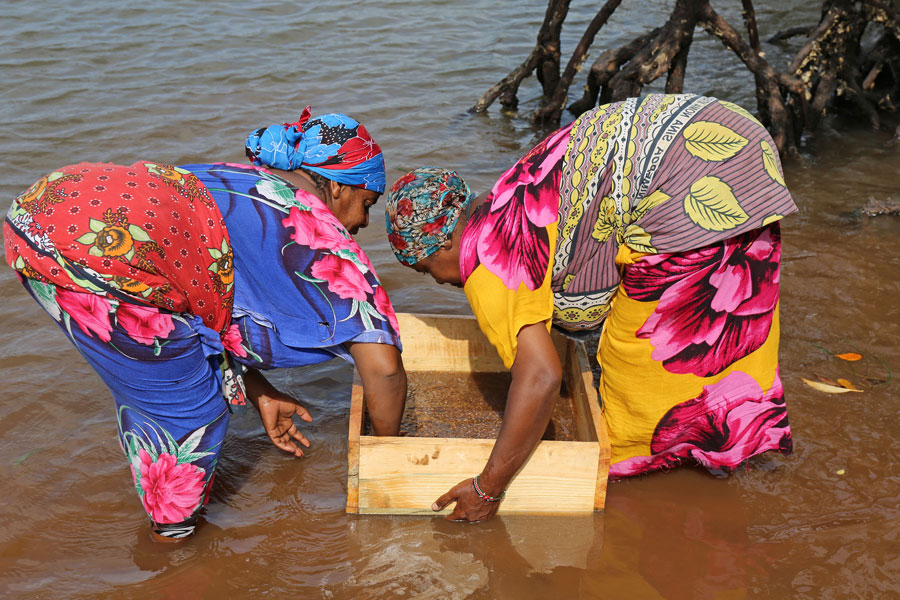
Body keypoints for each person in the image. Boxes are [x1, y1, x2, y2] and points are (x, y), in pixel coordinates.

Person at [385, 93, 795, 522]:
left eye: (428, 269)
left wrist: (487, 488)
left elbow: (542, 376)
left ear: (446, 241)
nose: (442, 281)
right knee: (727, 314)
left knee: (641, 360)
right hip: (731, 138)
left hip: (689, 178)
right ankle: (728, 451)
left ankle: (659, 493)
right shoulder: (507, 197)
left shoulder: (486, 256)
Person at [3, 106, 407, 541]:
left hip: (40, 219)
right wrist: (389, 452)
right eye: (366, 204)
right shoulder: (315, 229)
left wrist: (257, 390)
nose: (362, 222)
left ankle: (167, 522)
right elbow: (382, 365)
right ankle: (172, 545)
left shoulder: (237, 177)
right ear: (337, 186)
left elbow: (196, 307)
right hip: (98, 254)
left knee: (167, 377)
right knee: (192, 414)